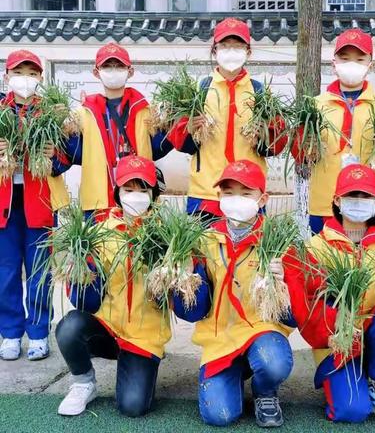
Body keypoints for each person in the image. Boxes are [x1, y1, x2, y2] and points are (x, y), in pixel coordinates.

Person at [283, 164, 375, 427]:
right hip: (337, 344)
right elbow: (306, 310)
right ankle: (352, 380)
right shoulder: (315, 248)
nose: (359, 202)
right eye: (352, 196)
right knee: (352, 411)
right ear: (337, 200)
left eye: (366, 196)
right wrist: (337, 327)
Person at [174, 159, 295, 427]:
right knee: (219, 416)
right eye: (229, 193)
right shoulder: (203, 241)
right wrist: (186, 280)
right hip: (220, 339)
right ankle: (235, 371)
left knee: (273, 362)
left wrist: (282, 284)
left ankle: (265, 392)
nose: (236, 200)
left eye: (246, 193)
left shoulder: (278, 243)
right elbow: (192, 313)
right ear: (218, 197)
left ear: (262, 199)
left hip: (261, 333)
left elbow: (294, 318)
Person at [55, 155, 173, 417]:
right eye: (128, 189)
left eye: (143, 189)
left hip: (144, 336)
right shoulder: (102, 230)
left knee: (133, 406)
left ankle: (140, 364)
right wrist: (82, 274)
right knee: (70, 327)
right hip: (108, 326)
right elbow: (88, 302)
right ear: (117, 192)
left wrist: (175, 273)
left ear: (154, 194)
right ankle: (84, 383)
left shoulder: (168, 234)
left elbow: (178, 295)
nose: (136, 195)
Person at [169, 18, 287, 223]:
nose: (231, 51)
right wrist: (189, 129)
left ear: (248, 51)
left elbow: (277, 144)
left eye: (237, 46)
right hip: (206, 192)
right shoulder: (199, 90)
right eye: (225, 45)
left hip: (249, 193)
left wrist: (265, 134)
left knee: (249, 252)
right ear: (214, 51)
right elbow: (179, 141)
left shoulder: (260, 92)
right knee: (204, 251)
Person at [0, 50, 69, 361]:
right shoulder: (0, 111)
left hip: (39, 204)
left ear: (41, 78)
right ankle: (10, 334)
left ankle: (39, 333)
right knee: (6, 272)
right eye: (18, 72)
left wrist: (53, 154)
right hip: (4, 205)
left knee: (40, 272)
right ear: (6, 76)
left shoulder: (52, 114)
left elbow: (68, 158)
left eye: (31, 73)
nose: (24, 79)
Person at [58, 42, 173, 218]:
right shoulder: (82, 114)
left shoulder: (146, 111)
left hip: (139, 198)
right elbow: (72, 153)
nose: (113, 70)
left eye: (119, 66)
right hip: (98, 201)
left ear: (130, 71)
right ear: (96, 72)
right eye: (107, 66)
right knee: (101, 246)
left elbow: (159, 147)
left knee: (139, 244)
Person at [291, 28, 375, 234]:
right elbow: (299, 152)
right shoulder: (315, 106)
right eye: (344, 58)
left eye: (360, 59)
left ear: (370, 65)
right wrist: (307, 146)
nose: (351, 64)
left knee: (368, 262)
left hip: (368, 204)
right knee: (322, 262)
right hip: (324, 203)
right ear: (334, 64)